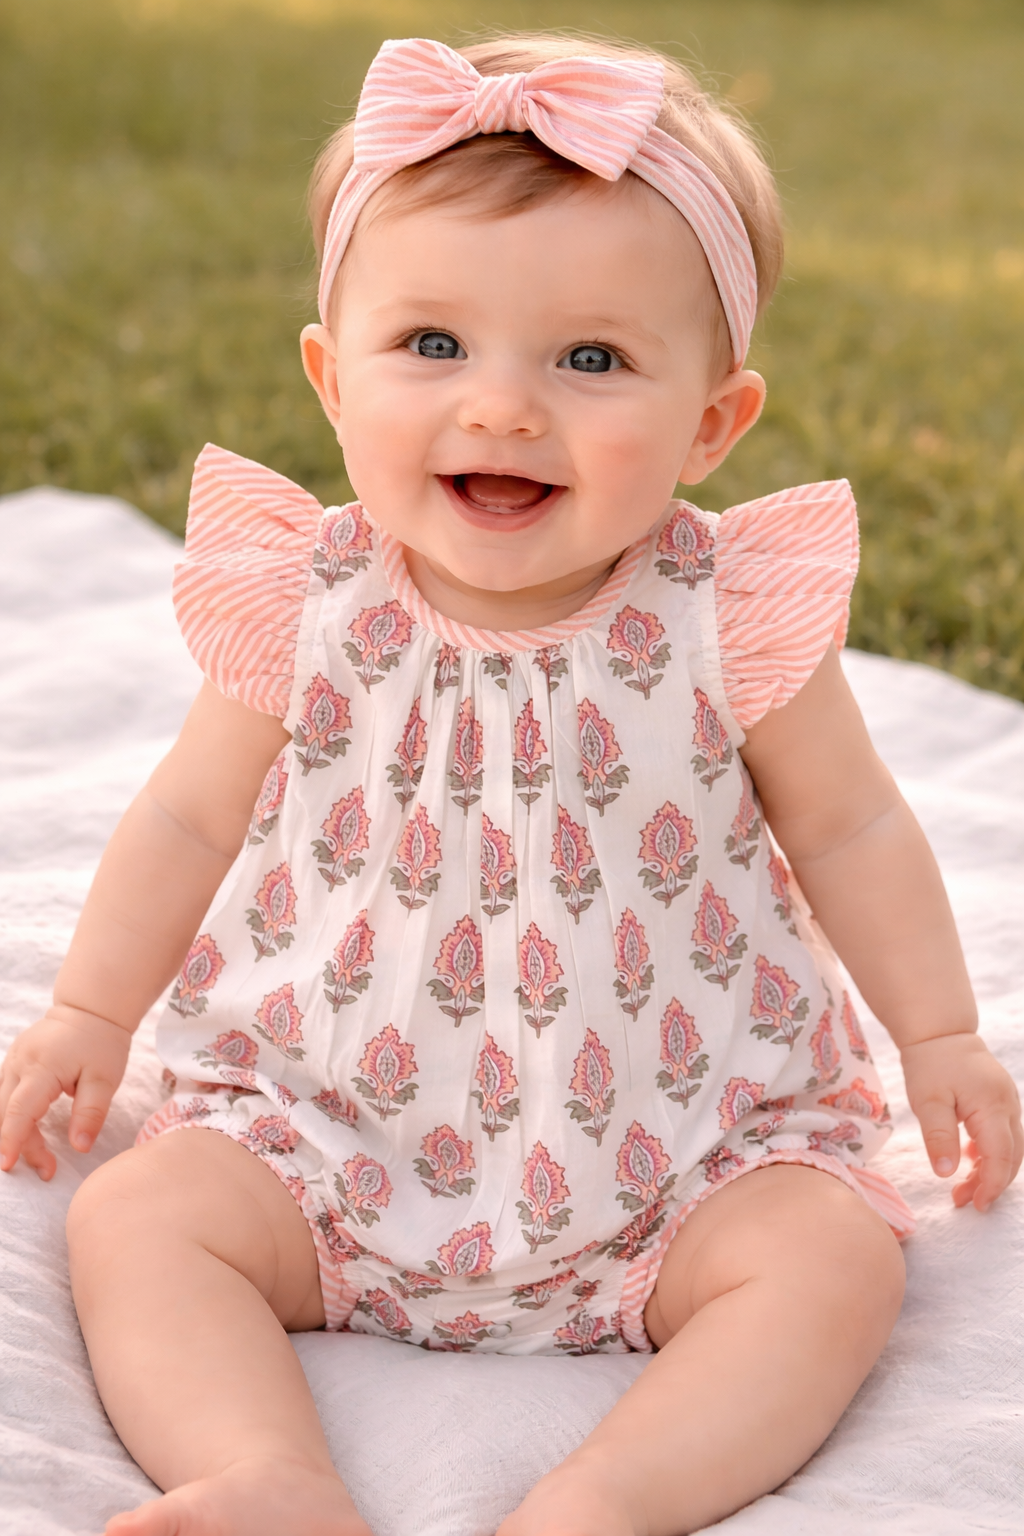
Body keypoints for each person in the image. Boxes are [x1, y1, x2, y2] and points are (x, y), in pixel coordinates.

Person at [1, 32, 1020, 1536]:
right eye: (433, 346)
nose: (502, 406)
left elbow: (853, 821)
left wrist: (939, 1033)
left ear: (715, 421)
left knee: (830, 1260)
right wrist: (91, 1012)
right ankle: (265, 1475)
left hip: (680, 1142)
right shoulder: (307, 596)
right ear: (328, 374)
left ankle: (602, 1503)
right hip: (335, 1118)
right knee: (144, 1216)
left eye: (592, 359)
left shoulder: (727, 609)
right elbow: (186, 816)